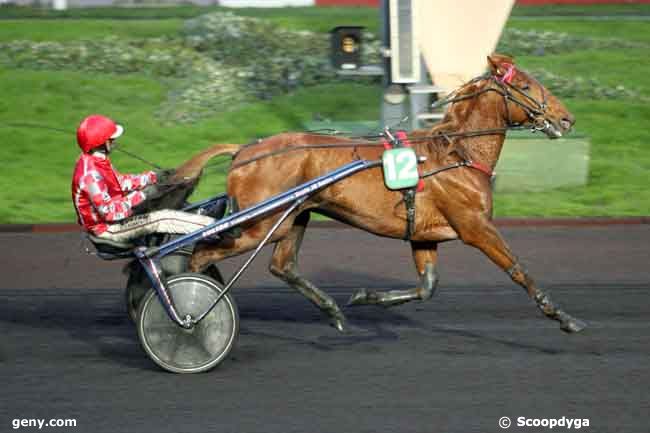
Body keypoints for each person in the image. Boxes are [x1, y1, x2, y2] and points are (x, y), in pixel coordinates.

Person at [71, 114, 215, 244]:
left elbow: (121, 183)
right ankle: (215, 227)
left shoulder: (97, 162)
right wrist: (144, 194)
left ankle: (204, 219)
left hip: (116, 219)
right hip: (107, 230)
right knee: (162, 218)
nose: (114, 141)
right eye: (111, 139)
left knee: (165, 199)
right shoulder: (90, 176)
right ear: (102, 143)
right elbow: (110, 213)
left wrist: (154, 177)